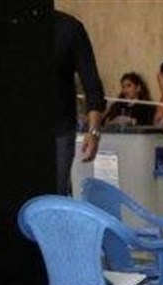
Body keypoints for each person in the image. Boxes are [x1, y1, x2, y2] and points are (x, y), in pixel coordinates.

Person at [54, 10, 106, 196]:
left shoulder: (69, 28)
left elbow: (92, 84)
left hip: (59, 129)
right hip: (15, 129)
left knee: (55, 195)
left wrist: (93, 131)